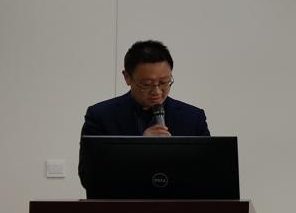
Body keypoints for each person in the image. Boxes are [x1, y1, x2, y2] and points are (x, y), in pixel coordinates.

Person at [78, 40, 209, 183]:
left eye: (164, 82)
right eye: (147, 84)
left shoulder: (193, 118)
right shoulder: (100, 116)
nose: (157, 91)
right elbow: (88, 176)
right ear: (127, 77)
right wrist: (140, 147)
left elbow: (209, 172)